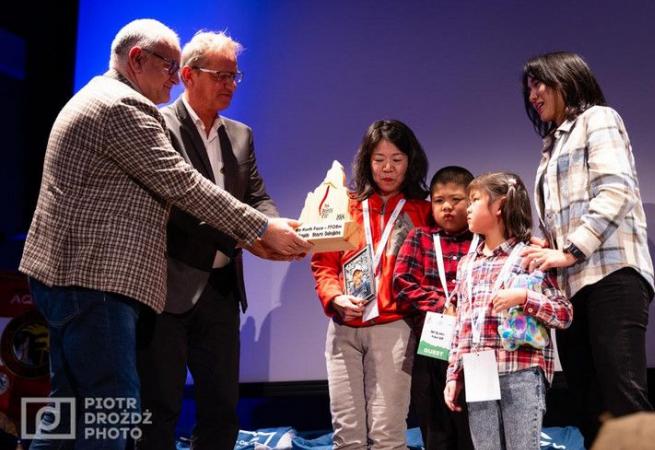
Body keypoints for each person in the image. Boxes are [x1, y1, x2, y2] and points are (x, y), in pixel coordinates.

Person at [19, 19, 310, 449]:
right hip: (94, 280)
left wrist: (262, 226)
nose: (175, 79)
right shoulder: (123, 106)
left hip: (68, 278)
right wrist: (261, 228)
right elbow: (182, 183)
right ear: (138, 59)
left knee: (72, 407)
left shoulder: (95, 97)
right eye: (170, 67)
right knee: (114, 406)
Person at [135, 30, 283, 450]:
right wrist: (251, 233)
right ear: (187, 75)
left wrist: (275, 230)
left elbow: (256, 197)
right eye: (221, 75)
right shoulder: (157, 125)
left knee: (221, 406)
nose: (230, 85)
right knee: (159, 404)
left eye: (235, 77)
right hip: (167, 288)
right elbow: (181, 205)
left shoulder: (240, 135)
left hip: (221, 290)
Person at [519, 51, 655, 446]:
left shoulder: (599, 119)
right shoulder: (551, 146)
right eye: (529, 87)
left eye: (539, 83)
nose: (532, 94)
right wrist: (548, 245)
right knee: (588, 401)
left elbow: (616, 191)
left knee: (623, 395)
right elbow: (565, 215)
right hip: (571, 289)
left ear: (566, 79)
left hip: (613, 276)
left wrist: (569, 251)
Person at [311, 119, 431, 449]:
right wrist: (335, 298)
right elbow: (323, 264)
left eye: (397, 159)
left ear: (410, 162)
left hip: (394, 329)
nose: (387, 168)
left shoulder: (424, 212)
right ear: (367, 161)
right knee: (347, 437)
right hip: (344, 327)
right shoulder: (344, 205)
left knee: (388, 436)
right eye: (379, 159)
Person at [444, 172, 572, 450]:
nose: (467, 207)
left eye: (475, 200)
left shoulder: (529, 256)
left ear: (500, 205)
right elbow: (461, 325)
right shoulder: (468, 263)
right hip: (478, 371)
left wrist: (525, 297)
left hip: (521, 370)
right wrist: (453, 374)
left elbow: (564, 314)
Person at [393, 166, 476, 450]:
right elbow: (402, 282)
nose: (447, 207)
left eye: (456, 199)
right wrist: (441, 305)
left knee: (475, 431)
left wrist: (467, 309)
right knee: (436, 430)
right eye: (439, 201)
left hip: (475, 347)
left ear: (472, 201)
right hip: (433, 345)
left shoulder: (482, 241)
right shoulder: (420, 238)